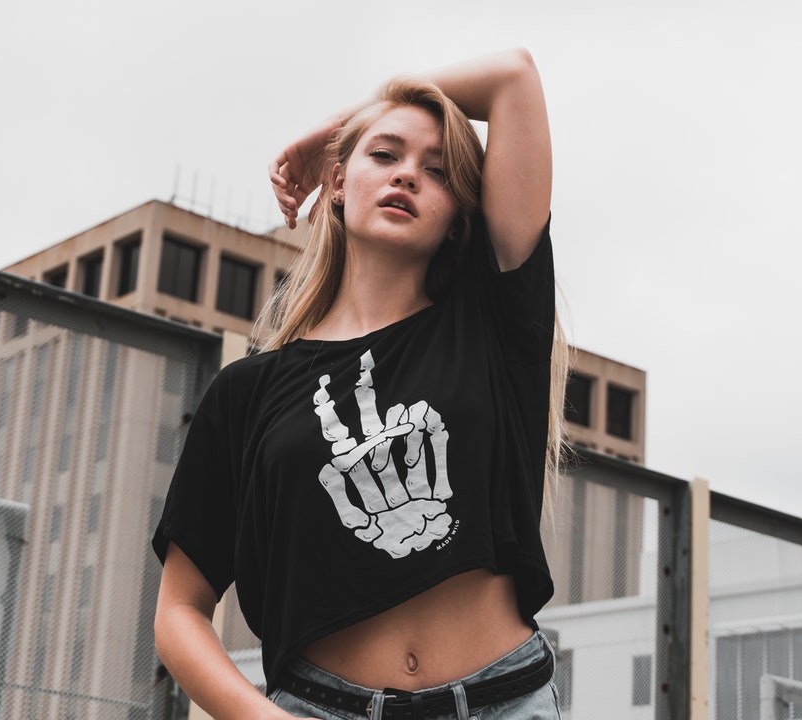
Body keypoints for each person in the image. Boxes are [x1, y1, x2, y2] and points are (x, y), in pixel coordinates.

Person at [153, 48, 569, 720]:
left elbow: (513, 77)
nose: (408, 175)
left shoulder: (490, 323)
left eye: (436, 172)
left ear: (459, 217)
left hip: (504, 701)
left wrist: (339, 128)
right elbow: (178, 612)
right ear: (338, 185)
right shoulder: (247, 393)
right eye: (385, 155)